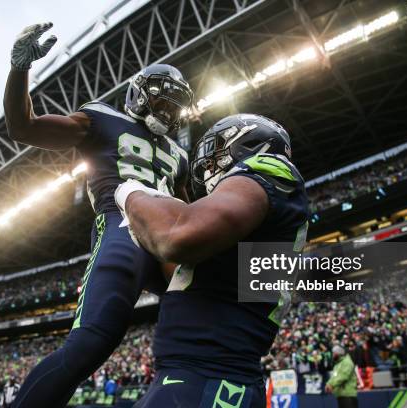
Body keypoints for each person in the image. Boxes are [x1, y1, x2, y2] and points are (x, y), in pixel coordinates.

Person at [3, 23, 194, 408]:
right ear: (139, 97)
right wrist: (19, 70)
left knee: (218, 316)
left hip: (168, 241)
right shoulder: (102, 120)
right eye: (160, 102)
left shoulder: (180, 155)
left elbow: (192, 216)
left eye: (173, 106)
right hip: (121, 227)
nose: (167, 112)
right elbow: (22, 127)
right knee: (89, 345)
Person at [115, 114, 309, 407]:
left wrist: (132, 195)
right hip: (195, 376)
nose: (207, 167)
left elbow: (176, 238)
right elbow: (181, 276)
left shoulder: (270, 168)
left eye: (213, 153)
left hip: (210, 377)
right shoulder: (246, 227)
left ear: (247, 141)